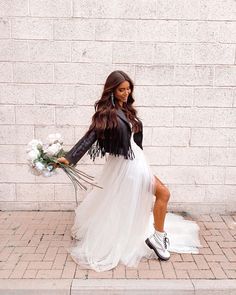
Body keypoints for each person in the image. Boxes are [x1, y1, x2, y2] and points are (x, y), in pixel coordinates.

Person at [57, 70, 202, 272]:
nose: (126, 93)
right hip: (128, 166)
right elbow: (89, 138)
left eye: (128, 88)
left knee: (129, 201)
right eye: (121, 90)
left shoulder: (127, 110)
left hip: (138, 162)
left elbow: (135, 141)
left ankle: (154, 236)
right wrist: (70, 158)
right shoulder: (107, 114)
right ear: (112, 91)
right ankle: (158, 239)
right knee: (163, 193)